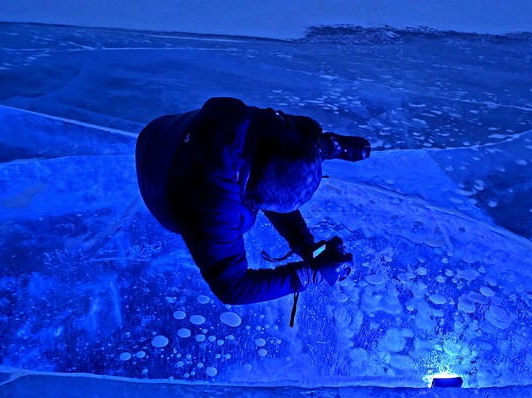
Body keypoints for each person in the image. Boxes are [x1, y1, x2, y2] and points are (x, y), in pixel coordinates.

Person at [135, 97, 370, 309]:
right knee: (263, 190)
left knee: (285, 144)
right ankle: (319, 147)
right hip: (160, 183)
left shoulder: (238, 115)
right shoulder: (213, 209)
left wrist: (308, 247)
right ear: (252, 200)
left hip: (161, 132)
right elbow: (234, 289)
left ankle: (326, 146)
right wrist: (311, 274)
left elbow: (275, 163)